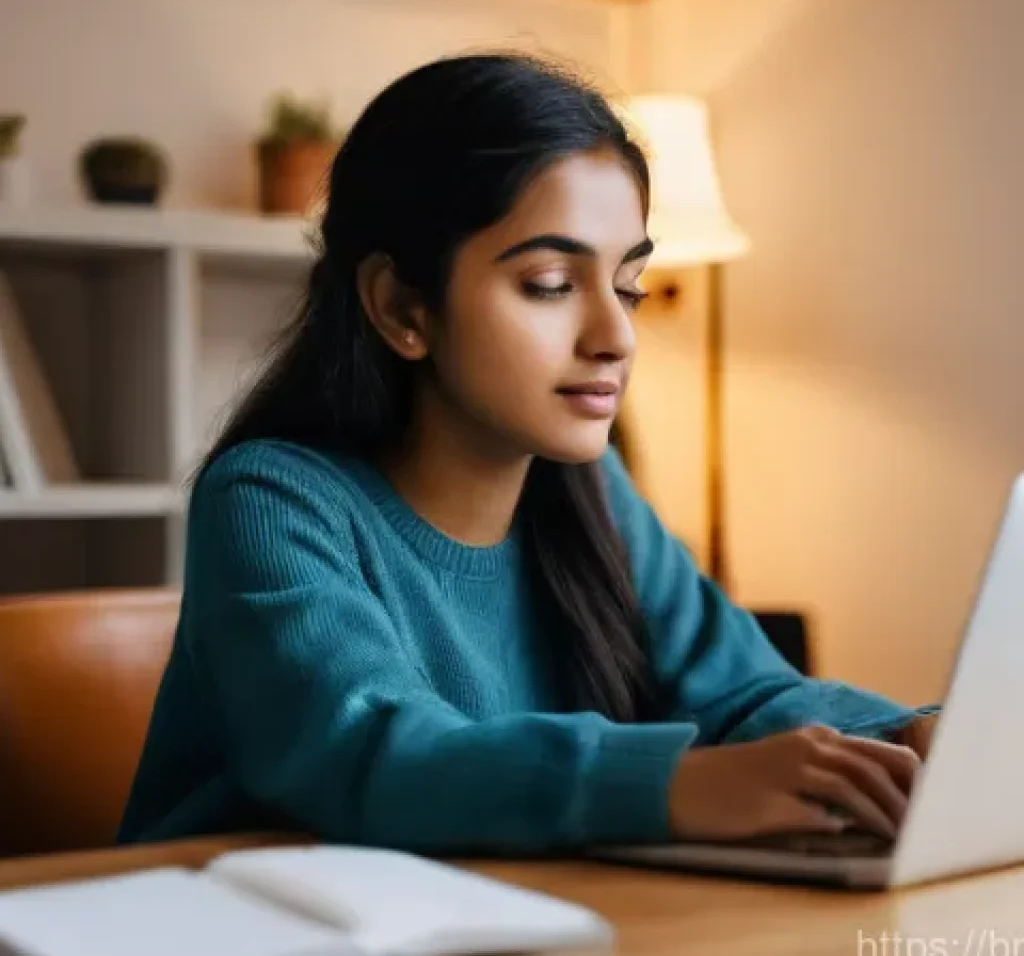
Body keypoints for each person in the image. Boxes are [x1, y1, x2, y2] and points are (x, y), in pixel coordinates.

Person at [117, 52, 939, 854]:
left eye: (628, 287)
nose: (616, 337)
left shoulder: (591, 487)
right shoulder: (270, 501)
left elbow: (747, 693)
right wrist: (676, 784)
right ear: (401, 306)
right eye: (551, 284)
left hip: (511, 913)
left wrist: (907, 736)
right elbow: (377, 756)